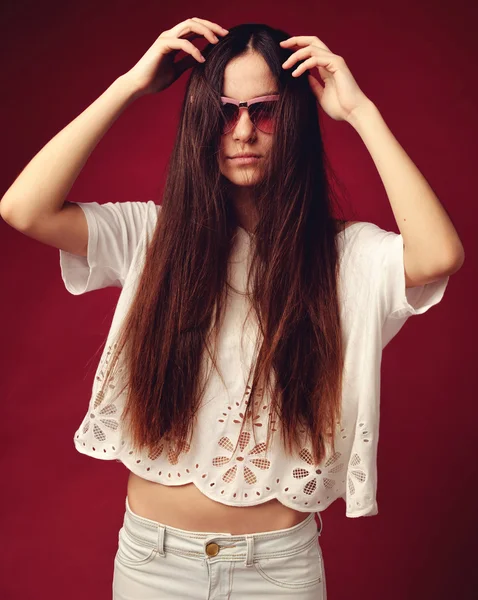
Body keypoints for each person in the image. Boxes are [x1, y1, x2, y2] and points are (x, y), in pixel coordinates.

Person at [1, 18, 460, 600]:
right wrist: (128, 86)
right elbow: (23, 208)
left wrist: (361, 111)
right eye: (222, 112)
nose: (242, 131)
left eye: (264, 111)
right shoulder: (153, 235)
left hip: (278, 574)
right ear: (200, 123)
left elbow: (438, 254)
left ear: (292, 121)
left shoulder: (345, 255)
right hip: (152, 565)